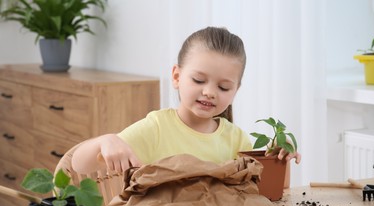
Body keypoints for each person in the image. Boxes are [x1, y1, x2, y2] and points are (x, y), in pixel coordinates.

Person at [72, 26, 301, 174]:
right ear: (176, 76)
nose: (210, 92)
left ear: (236, 91)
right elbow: (79, 166)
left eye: (223, 87)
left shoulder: (236, 139)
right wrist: (106, 140)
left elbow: (266, 190)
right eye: (199, 80)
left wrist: (279, 159)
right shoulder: (157, 128)